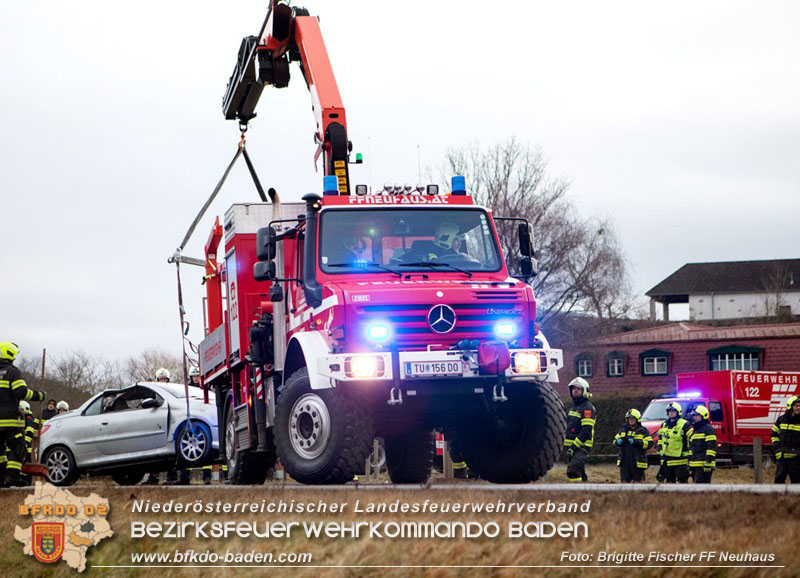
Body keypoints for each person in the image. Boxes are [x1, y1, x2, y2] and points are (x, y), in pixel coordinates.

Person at [0, 342, 46, 487]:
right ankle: (12, 477)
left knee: (0, 451)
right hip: (9, 421)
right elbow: (21, 391)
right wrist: (39, 396)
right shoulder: (12, 372)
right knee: (17, 447)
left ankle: (1, 477)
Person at [564, 377, 595, 483]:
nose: (575, 390)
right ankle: (585, 489)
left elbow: (586, 431)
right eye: (573, 389)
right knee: (580, 470)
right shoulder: (574, 406)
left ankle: (576, 491)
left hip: (582, 446)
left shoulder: (587, 408)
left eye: (578, 389)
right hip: (572, 446)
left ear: (584, 391)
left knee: (573, 470)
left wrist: (574, 446)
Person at [656, 401, 691, 483]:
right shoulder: (664, 424)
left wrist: (688, 451)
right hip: (667, 458)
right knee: (669, 482)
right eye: (669, 411)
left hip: (680, 459)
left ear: (678, 412)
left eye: (673, 411)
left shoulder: (684, 424)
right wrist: (660, 448)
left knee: (682, 481)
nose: (671, 413)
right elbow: (661, 438)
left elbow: (692, 438)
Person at [614, 408, 652, 483]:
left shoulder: (643, 431)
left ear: (637, 419)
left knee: (638, 484)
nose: (631, 420)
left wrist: (636, 442)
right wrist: (618, 442)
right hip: (625, 462)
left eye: (633, 418)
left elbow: (649, 444)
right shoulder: (623, 429)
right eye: (629, 419)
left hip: (638, 462)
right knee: (624, 484)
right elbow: (615, 441)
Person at [773, 395, 800, 484]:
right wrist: (776, 447)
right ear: (790, 406)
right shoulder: (782, 419)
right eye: (796, 405)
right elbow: (774, 433)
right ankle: (779, 498)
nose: (798, 407)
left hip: (796, 459)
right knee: (778, 482)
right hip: (782, 458)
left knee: (797, 484)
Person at [688, 405, 717, 483]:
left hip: (704, 465)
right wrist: (689, 460)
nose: (695, 417)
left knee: (701, 488)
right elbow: (692, 448)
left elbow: (711, 447)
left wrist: (708, 462)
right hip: (695, 464)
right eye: (694, 415)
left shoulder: (708, 429)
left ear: (704, 416)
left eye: (697, 415)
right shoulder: (695, 430)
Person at [19, 400, 41, 485]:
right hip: (24, 447)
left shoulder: (28, 419)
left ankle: (26, 482)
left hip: (26, 448)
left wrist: (24, 443)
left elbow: (29, 432)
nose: (20, 411)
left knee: (26, 465)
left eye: (21, 410)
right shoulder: (23, 418)